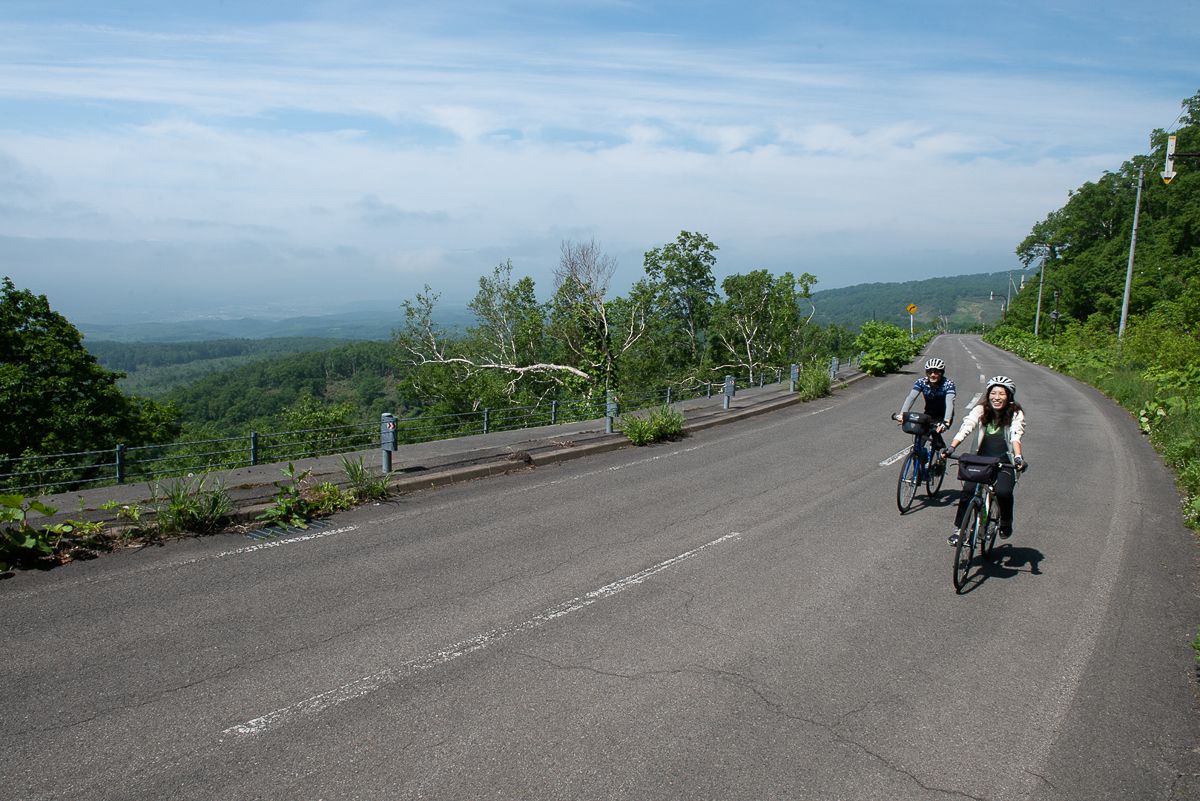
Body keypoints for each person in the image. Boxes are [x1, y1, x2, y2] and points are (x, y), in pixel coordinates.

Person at [943, 375, 1027, 545]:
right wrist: (952, 447)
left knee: (1003, 492)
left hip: (1005, 460)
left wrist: (1018, 457)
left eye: (1002, 394)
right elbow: (967, 426)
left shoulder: (1015, 414)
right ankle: (960, 530)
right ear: (988, 395)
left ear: (1009, 397)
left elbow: (1015, 435)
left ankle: (1005, 522)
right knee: (968, 491)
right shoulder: (980, 410)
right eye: (993, 393)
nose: (996, 397)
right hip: (981, 459)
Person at [895, 357, 956, 454]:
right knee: (920, 438)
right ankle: (919, 462)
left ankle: (940, 452)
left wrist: (946, 422)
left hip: (943, 416)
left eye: (936, 372)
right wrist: (903, 414)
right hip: (929, 414)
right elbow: (911, 397)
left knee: (936, 433)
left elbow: (949, 403)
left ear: (942, 372)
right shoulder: (922, 382)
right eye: (929, 372)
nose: (932, 375)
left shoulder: (948, 384)